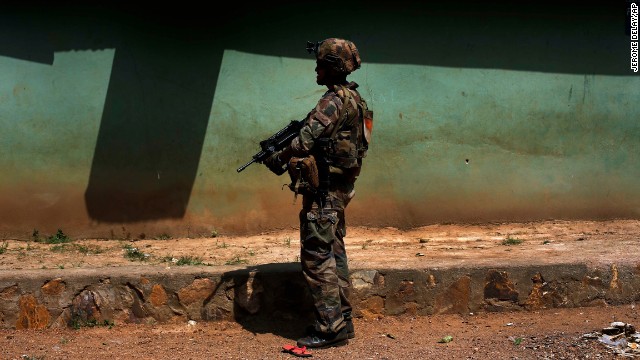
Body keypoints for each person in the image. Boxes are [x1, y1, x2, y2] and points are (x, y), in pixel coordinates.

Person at [263, 37, 373, 349]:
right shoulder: (356, 100)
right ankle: (343, 320)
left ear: (333, 67)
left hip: (324, 191)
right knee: (335, 251)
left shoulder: (332, 101)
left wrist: (278, 155)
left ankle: (329, 328)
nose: (316, 70)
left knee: (316, 255)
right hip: (340, 188)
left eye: (320, 65)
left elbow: (302, 142)